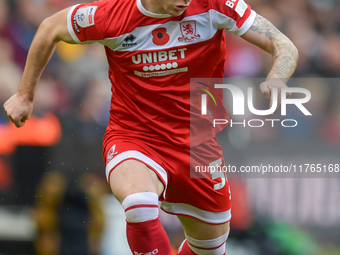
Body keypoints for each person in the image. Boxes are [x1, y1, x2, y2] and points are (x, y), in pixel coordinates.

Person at [3, 0, 298, 254]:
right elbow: (49, 28)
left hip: (198, 145)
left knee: (210, 248)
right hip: (134, 137)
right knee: (139, 204)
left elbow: (284, 44)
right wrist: (25, 95)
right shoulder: (110, 16)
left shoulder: (214, 6)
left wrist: (276, 77)